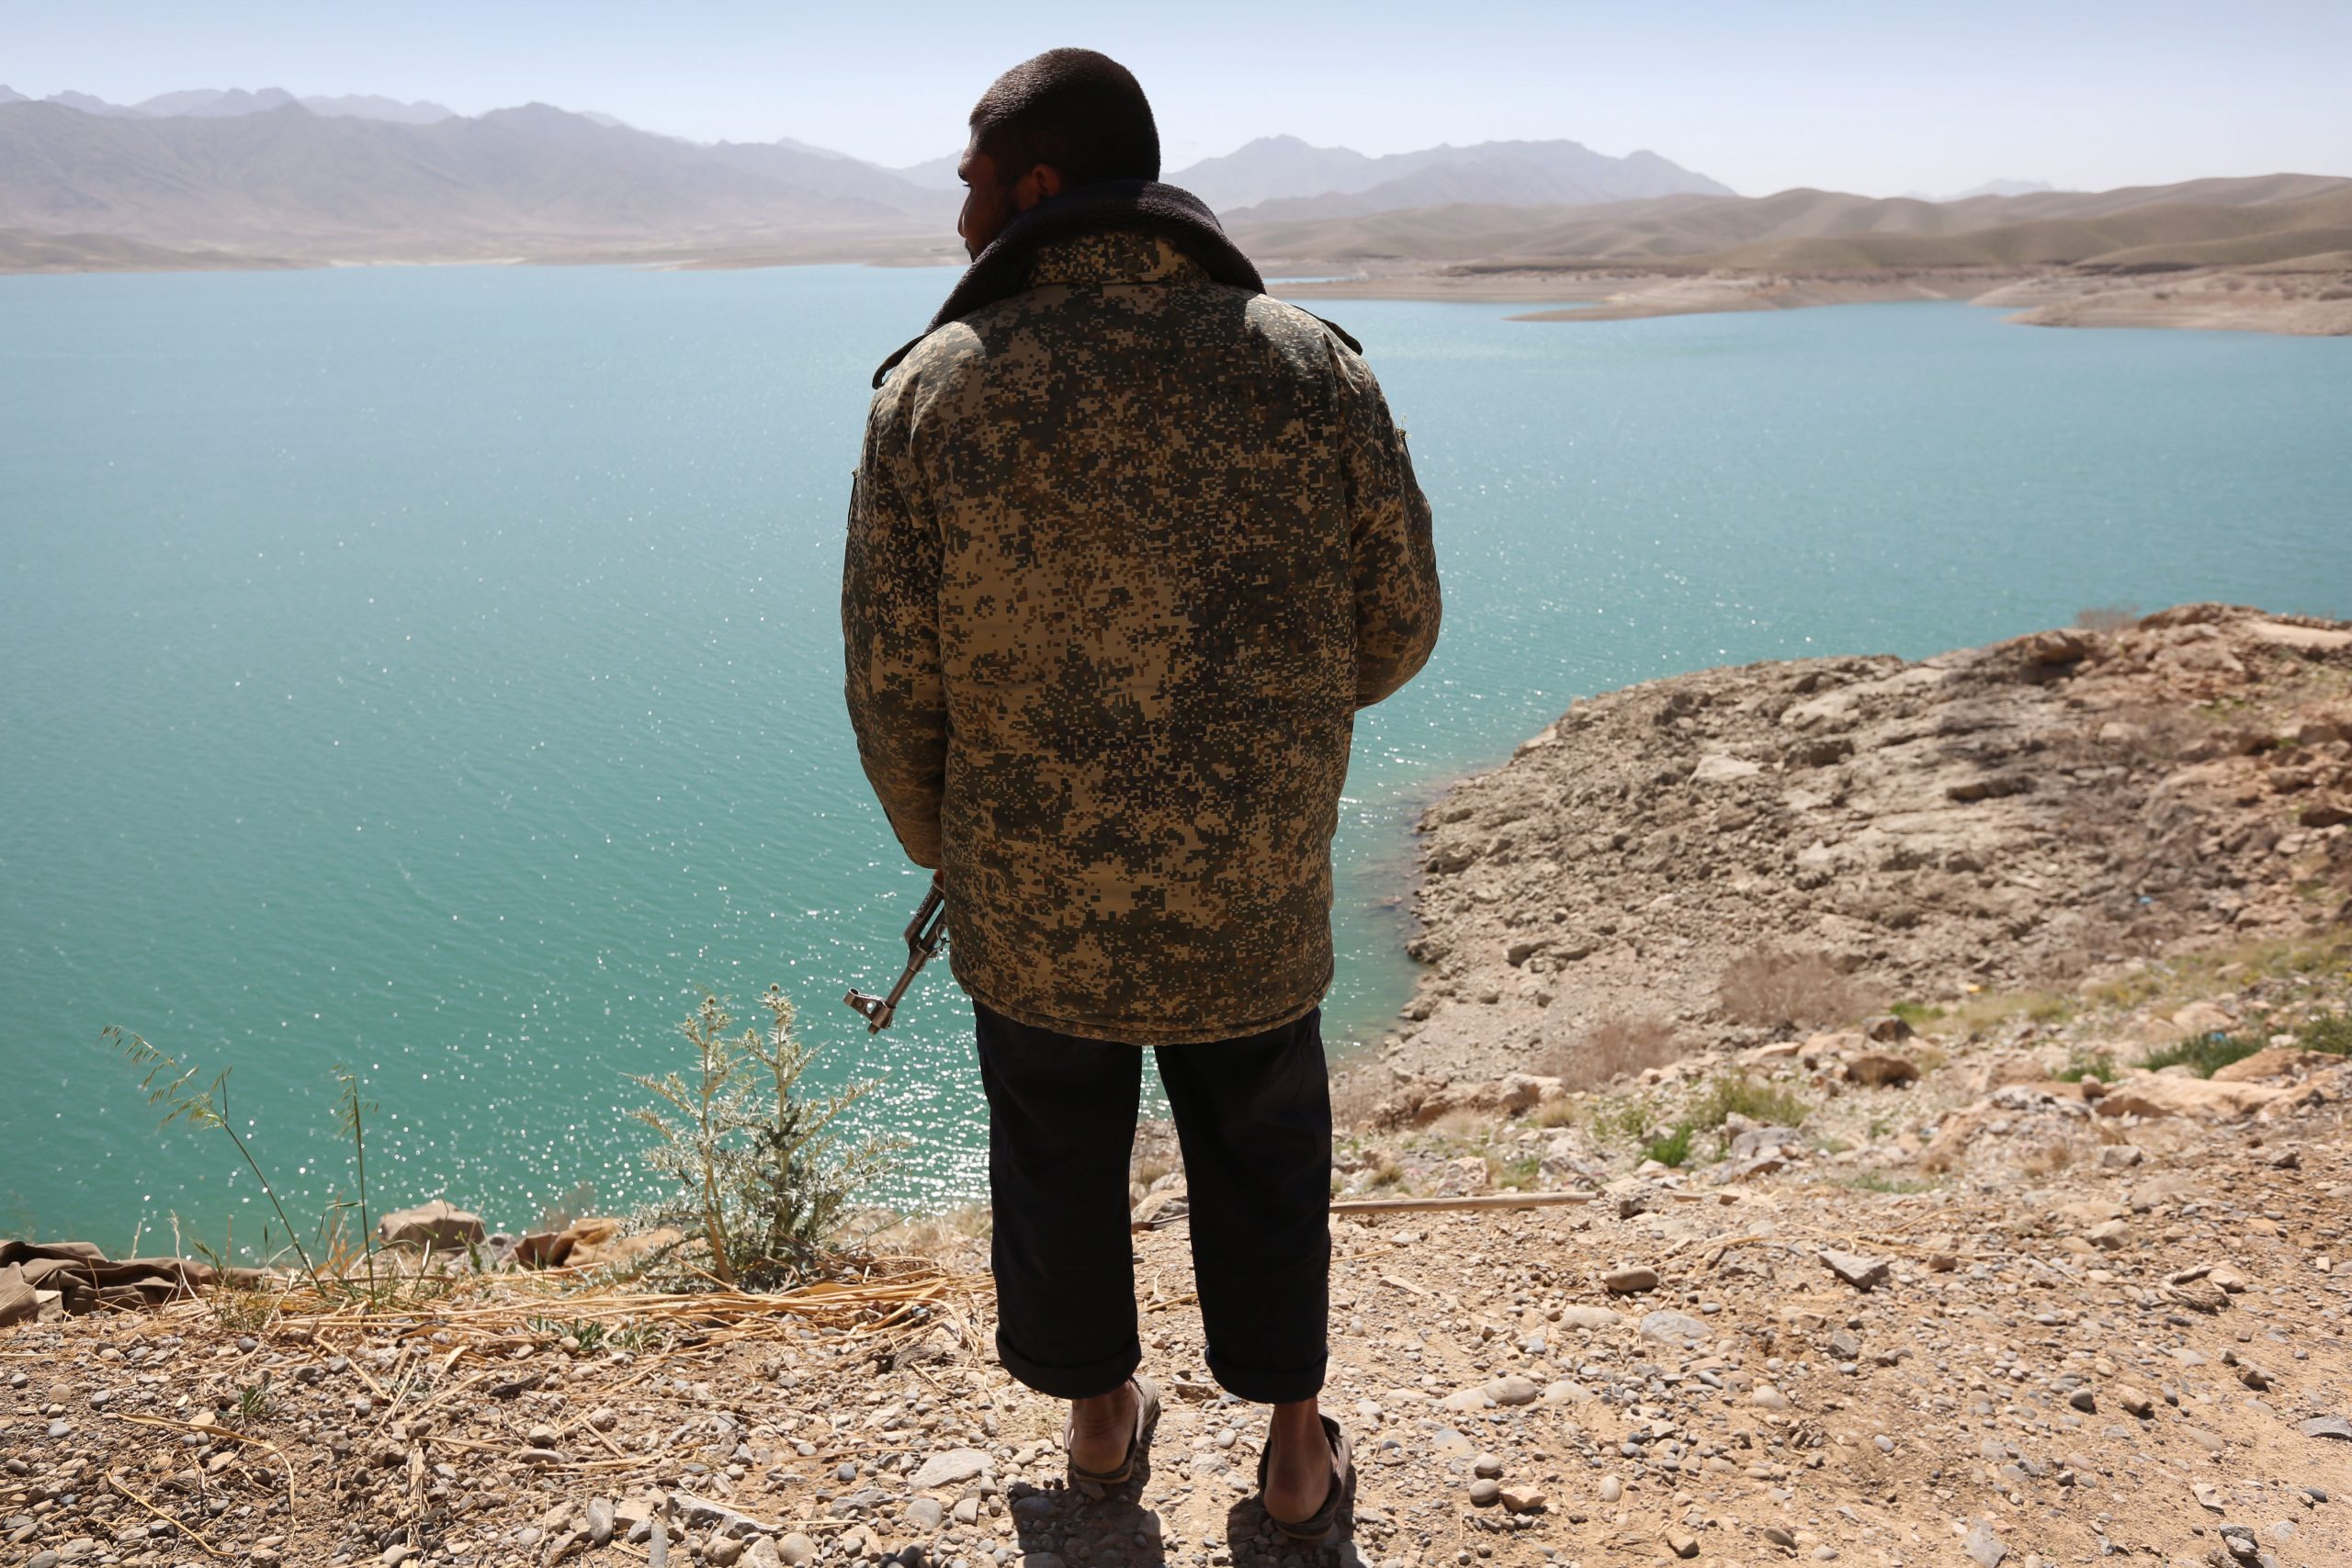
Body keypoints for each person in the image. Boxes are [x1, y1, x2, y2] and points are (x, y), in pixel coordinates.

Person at [842, 47, 1439, 1542]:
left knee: (1055, 1151)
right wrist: (1265, 746)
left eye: (972, 181)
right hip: (1251, 882)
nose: (958, 215)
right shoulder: (1307, 366)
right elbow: (1400, 624)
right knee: (1263, 1148)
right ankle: (1296, 1456)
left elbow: (893, 688)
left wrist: (965, 851)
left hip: (1032, 902)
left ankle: (1101, 1437)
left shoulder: (931, 397)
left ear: (1041, 184)